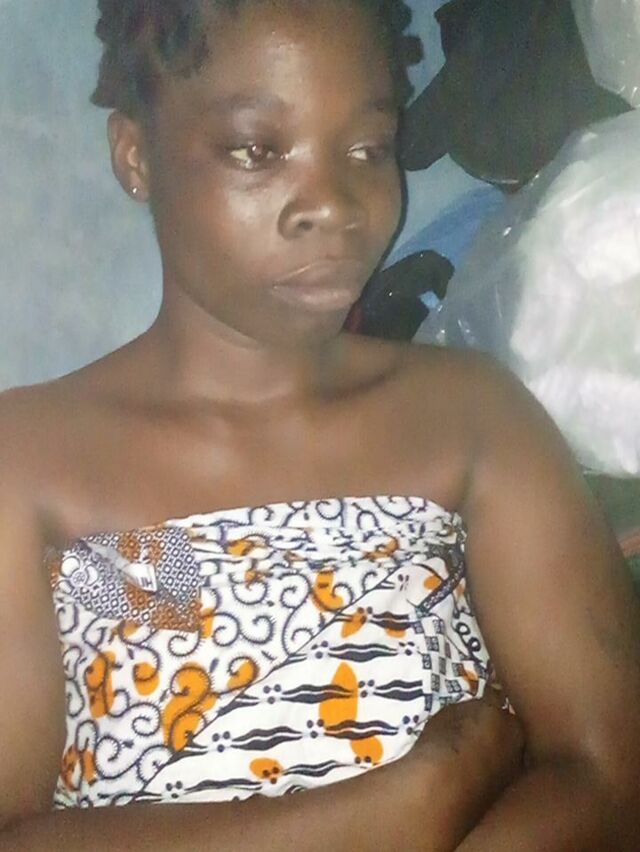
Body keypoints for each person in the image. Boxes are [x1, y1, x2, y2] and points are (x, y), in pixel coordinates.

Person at [0, 1, 638, 849]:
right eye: (258, 150)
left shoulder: (470, 421)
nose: (333, 206)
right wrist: (403, 806)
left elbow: (607, 776)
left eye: (368, 149)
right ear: (136, 155)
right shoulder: (30, 461)